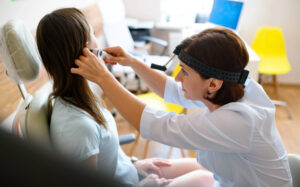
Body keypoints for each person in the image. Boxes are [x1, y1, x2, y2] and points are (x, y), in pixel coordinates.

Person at [71, 27, 293, 186]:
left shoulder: (241, 121)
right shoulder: (235, 86)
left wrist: (103, 78)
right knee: (165, 168)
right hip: (228, 179)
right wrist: (132, 62)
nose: (177, 78)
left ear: (213, 83)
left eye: (184, 71)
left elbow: (159, 125)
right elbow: (173, 90)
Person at [36, 8, 208, 187]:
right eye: (93, 33)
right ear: (86, 49)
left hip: (131, 173)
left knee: (203, 166)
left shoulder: (85, 100)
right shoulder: (77, 127)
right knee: (206, 179)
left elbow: (109, 155)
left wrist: (134, 164)